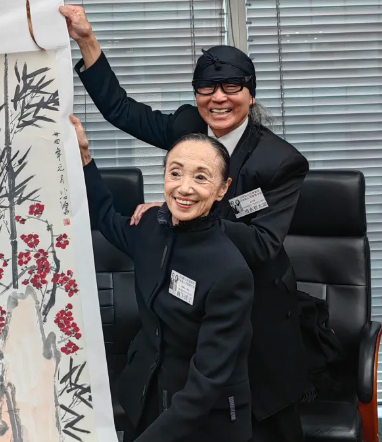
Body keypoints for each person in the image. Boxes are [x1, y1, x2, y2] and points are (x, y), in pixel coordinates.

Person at [60, 6, 309, 441]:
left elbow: (263, 244)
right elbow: (121, 110)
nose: (219, 98)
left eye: (232, 87)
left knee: (252, 417)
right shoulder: (188, 127)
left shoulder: (279, 161)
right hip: (185, 317)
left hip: (256, 308)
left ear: (251, 94)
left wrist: (186, 210)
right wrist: (85, 39)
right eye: (206, 88)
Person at [72, 114, 254, 442]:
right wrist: (84, 156)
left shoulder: (230, 272)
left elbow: (205, 384)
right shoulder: (149, 228)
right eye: (175, 173)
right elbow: (104, 216)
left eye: (201, 177)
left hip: (201, 419)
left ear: (222, 189)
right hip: (145, 395)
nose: (184, 188)